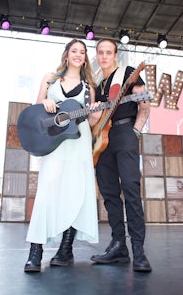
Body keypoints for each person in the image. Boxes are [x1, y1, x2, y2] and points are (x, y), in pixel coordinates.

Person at [24, 39, 101, 273]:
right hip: (54, 142)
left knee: (77, 191)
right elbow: (35, 110)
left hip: (79, 140)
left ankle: (65, 250)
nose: (78, 55)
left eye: (82, 52)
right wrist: (46, 100)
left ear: (85, 58)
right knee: (47, 192)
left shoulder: (89, 85)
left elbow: (90, 121)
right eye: (74, 51)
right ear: (66, 54)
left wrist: (95, 117)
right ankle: (35, 252)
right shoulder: (50, 78)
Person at [90, 39, 152, 272]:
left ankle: (139, 251)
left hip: (125, 132)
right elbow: (94, 117)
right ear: (97, 55)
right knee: (109, 193)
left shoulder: (127, 73)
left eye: (109, 52)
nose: (104, 56)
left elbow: (144, 103)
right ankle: (118, 246)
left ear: (115, 54)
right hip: (102, 140)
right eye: (101, 53)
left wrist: (135, 130)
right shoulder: (97, 83)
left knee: (130, 188)